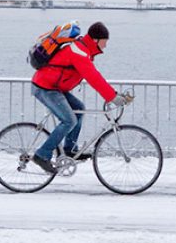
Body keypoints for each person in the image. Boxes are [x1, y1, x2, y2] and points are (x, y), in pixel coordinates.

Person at [29, 21, 131, 173]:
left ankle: (69, 149)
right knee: (69, 120)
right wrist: (112, 97)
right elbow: (93, 77)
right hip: (45, 88)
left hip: (55, 87)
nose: (105, 46)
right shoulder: (79, 52)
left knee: (79, 109)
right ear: (95, 40)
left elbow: (93, 75)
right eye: (104, 42)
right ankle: (42, 155)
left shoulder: (83, 49)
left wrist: (113, 94)